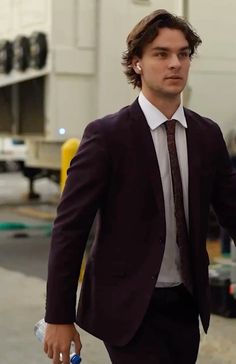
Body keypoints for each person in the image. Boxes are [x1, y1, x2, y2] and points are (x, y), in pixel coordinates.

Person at [44, 9, 236, 364]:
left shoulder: (207, 136)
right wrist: (59, 315)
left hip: (185, 303)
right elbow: (70, 228)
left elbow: (233, 211)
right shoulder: (107, 136)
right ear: (137, 64)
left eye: (183, 54)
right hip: (127, 306)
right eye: (161, 54)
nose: (175, 63)